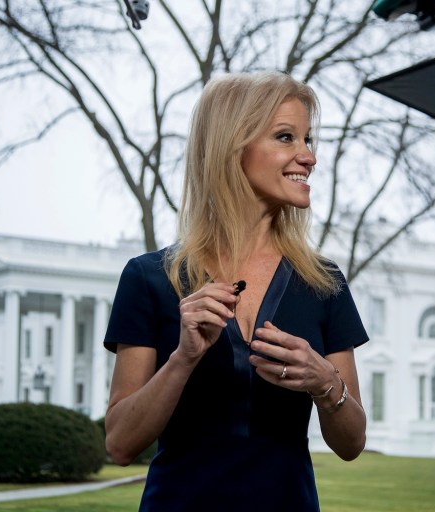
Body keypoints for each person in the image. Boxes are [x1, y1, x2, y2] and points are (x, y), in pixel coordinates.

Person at [103, 71, 369, 511]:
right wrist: (183, 358)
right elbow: (120, 444)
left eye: (309, 140)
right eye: (286, 137)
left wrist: (326, 382)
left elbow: (352, 443)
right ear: (232, 146)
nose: (309, 157)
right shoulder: (148, 277)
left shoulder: (325, 282)